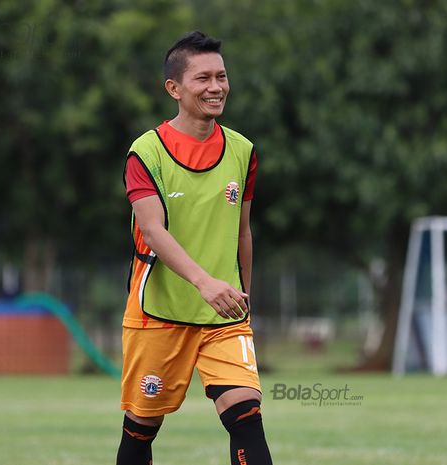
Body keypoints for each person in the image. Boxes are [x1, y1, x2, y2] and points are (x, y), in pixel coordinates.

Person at [116, 31, 273, 465]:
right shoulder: (146, 152)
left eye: (221, 76)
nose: (216, 87)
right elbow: (153, 229)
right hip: (158, 314)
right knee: (141, 429)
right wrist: (204, 282)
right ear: (174, 88)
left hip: (223, 314)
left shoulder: (242, 150)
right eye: (203, 78)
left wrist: (243, 297)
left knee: (246, 416)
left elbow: (242, 231)